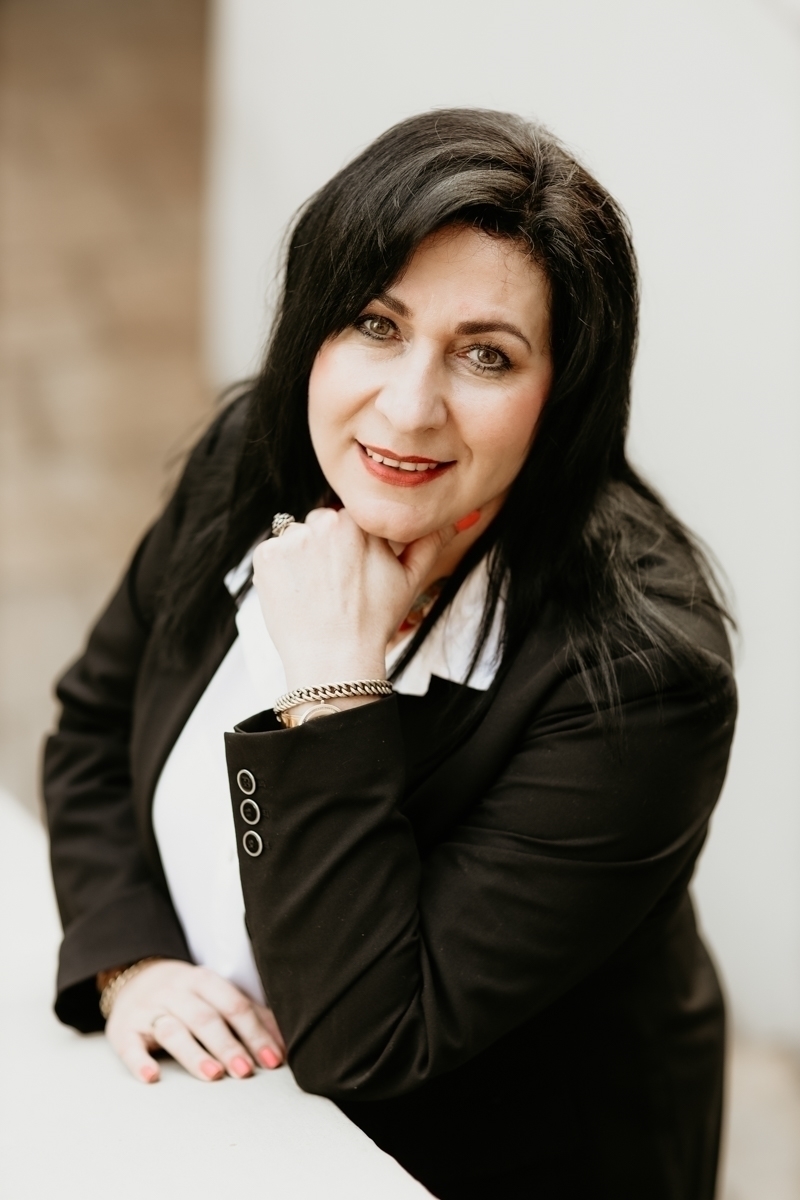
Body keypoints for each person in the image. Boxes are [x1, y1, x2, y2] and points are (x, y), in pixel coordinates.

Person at [43, 108, 736, 1200]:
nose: (408, 410)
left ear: (562, 395)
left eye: (486, 355)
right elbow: (92, 728)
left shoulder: (643, 681)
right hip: (219, 1126)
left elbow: (372, 1037)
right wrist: (132, 960)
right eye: (375, 323)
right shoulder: (252, 460)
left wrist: (332, 685)